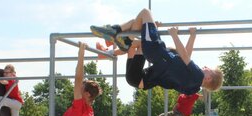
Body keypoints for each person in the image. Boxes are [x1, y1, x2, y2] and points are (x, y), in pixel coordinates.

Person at [90, 8, 223, 95]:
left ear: (208, 77)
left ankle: (115, 33)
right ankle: (118, 41)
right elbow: (185, 57)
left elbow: (185, 56)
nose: (205, 67)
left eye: (208, 69)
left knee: (145, 13)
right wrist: (192, 36)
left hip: (156, 54)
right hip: (156, 56)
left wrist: (174, 35)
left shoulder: (198, 76)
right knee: (135, 24)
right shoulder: (191, 88)